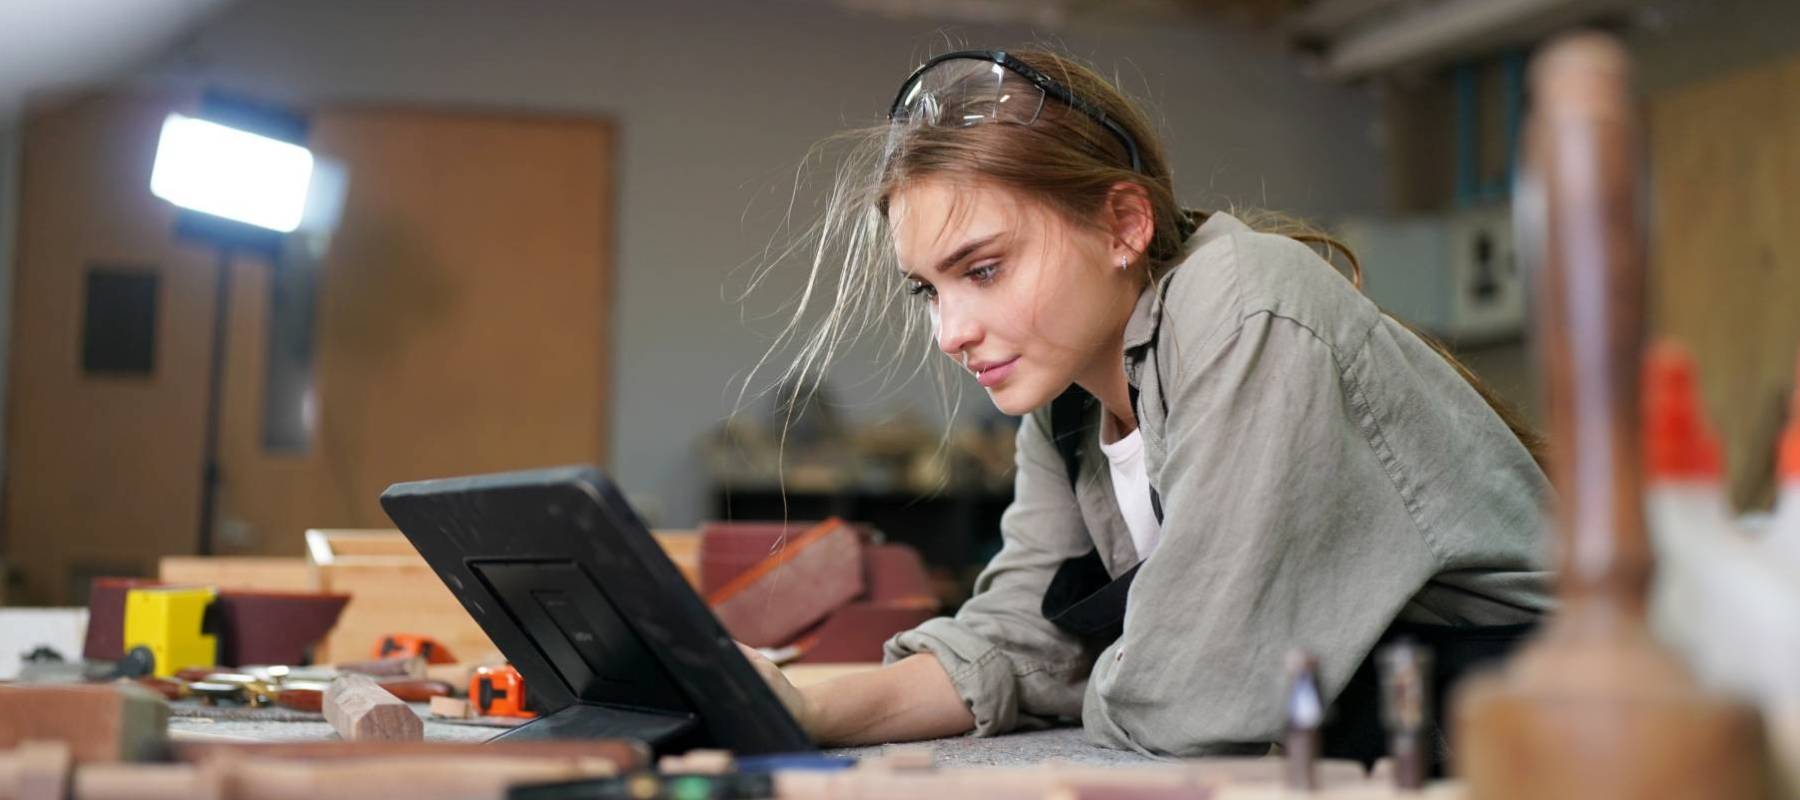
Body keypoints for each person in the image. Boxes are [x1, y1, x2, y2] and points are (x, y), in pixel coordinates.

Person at [738, 48, 1553, 763]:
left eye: (983, 270)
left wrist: (1094, 668)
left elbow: (1198, 698)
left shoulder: (1240, 306)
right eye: (928, 289)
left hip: (1530, 739)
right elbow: (1018, 644)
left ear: (1124, 224)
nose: (951, 332)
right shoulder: (1064, 408)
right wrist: (796, 704)